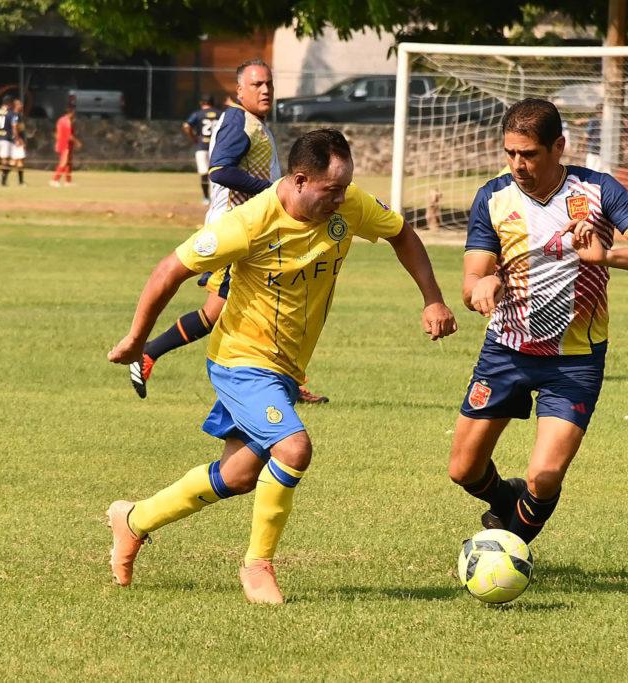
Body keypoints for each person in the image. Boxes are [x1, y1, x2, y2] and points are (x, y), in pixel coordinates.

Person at [106, 128, 458, 603]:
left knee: (238, 476)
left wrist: (433, 299)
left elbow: (401, 234)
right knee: (293, 449)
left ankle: (133, 520)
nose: (341, 199)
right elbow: (170, 269)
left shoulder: (348, 204)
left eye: (345, 187)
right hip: (241, 360)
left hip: (285, 369)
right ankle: (257, 566)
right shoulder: (249, 223)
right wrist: (137, 339)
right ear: (298, 180)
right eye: (331, 189)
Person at [448, 99, 628, 546]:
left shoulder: (598, 190)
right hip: (506, 350)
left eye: (529, 154)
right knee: (463, 469)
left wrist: (607, 256)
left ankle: (511, 549)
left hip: (575, 360)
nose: (518, 164)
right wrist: (482, 285)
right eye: (510, 153)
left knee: (545, 475)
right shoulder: (493, 198)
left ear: (559, 147)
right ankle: (506, 501)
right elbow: (472, 280)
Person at [129, 60, 329, 404]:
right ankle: (149, 352)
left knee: (245, 308)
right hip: (237, 234)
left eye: (268, 84)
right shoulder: (238, 120)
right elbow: (220, 170)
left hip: (257, 234)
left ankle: (150, 353)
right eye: (256, 84)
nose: (265, 90)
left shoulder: (254, 122)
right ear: (239, 91)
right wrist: (271, 191)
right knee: (235, 310)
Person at [183, 95, 221, 204]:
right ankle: (216, 198)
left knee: (204, 172)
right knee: (216, 172)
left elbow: (186, 126)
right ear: (213, 102)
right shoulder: (220, 114)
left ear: (201, 103)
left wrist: (193, 138)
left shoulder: (198, 114)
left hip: (202, 146)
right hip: (217, 147)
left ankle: (206, 198)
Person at [50, 106, 80, 187]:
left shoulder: (60, 120)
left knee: (68, 163)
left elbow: (57, 133)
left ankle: (68, 181)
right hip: (65, 145)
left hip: (63, 144)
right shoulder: (67, 121)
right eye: (73, 113)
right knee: (63, 162)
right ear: (70, 113)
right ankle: (55, 180)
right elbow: (69, 135)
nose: (74, 115)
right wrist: (77, 142)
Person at [9, 99, 27, 186]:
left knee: (15, 161)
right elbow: (14, 128)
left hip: (17, 140)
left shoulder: (18, 115)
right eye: (20, 104)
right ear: (15, 106)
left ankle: (4, 178)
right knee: (18, 161)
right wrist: (18, 139)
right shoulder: (15, 115)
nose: (22, 105)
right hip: (16, 141)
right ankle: (20, 182)